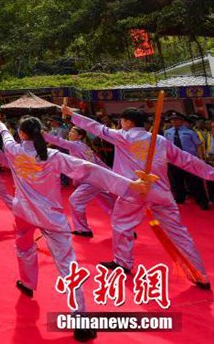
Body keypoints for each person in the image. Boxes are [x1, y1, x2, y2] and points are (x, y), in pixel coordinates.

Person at [0, 112, 155, 343]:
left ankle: (28, 283)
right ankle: (80, 316)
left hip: (23, 212)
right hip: (51, 217)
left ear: (22, 134)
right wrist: (130, 186)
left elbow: (5, 135)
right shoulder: (52, 155)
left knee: (23, 246)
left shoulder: (14, 150)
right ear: (41, 133)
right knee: (67, 265)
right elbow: (89, 169)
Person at [66, 104, 214, 288]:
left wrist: (72, 114)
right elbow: (185, 159)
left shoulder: (122, 136)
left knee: (122, 226)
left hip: (133, 191)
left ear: (127, 122)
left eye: (122, 120)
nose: (120, 123)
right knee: (179, 233)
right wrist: (211, 173)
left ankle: (123, 262)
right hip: (160, 192)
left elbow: (97, 128)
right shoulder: (159, 140)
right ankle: (200, 275)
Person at [44, 127, 116, 238]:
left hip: (92, 180)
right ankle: (125, 228)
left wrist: (44, 134)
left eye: (73, 132)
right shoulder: (84, 146)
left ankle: (83, 229)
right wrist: (110, 173)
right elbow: (97, 161)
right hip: (97, 179)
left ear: (80, 136)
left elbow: (60, 141)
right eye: (70, 131)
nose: (70, 133)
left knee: (75, 200)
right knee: (110, 205)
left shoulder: (76, 145)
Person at [163, 112, 209, 209]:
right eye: (172, 120)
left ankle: (201, 201)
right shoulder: (168, 132)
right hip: (174, 160)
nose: (173, 122)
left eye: (176, 119)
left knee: (195, 181)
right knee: (176, 180)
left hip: (189, 159)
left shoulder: (190, 132)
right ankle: (180, 198)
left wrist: (200, 159)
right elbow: (166, 146)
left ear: (181, 121)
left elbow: (198, 146)